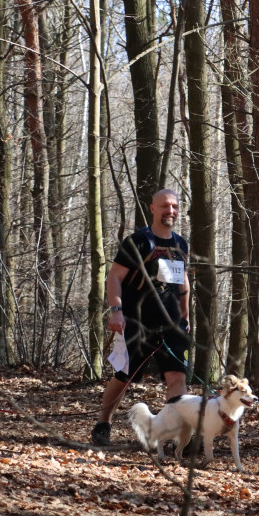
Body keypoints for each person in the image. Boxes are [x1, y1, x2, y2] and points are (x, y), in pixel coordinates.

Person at [90, 189, 192, 446]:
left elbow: (183, 283)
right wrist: (116, 310)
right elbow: (114, 277)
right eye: (165, 206)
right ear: (153, 209)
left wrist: (185, 316)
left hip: (172, 324)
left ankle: (179, 436)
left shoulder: (180, 244)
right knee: (125, 375)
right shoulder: (138, 241)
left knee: (177, 377)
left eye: (174, 207)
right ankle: (104, 422)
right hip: (137, 321)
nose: (170, 211)